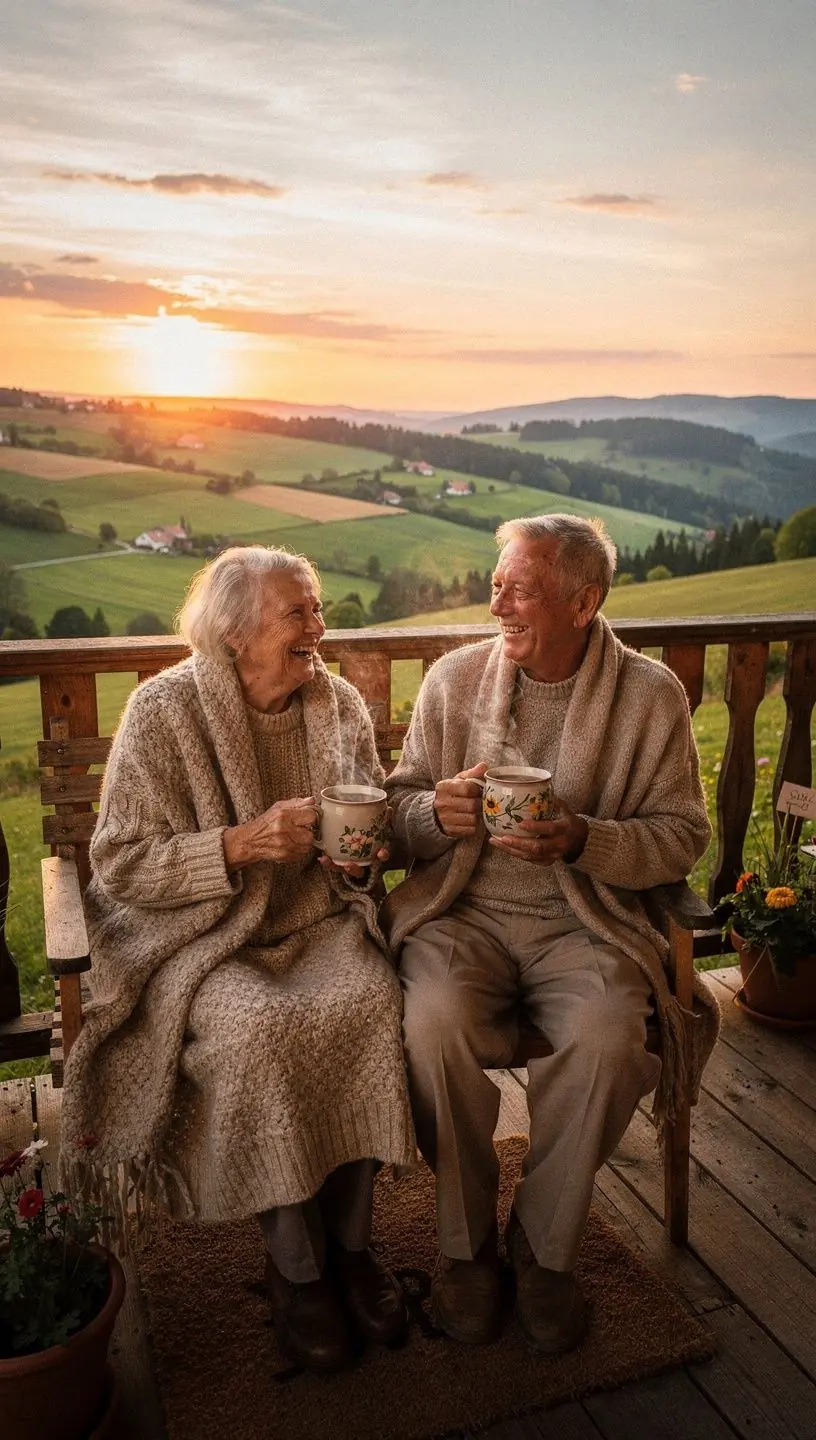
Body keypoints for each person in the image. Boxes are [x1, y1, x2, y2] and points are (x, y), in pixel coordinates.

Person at [61, 545, 416, 1373]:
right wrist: (236, 844)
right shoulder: (164, 712)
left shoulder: (337, 705)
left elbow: (372, 822)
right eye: (298, 613)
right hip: (200, 936)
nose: (318, 628)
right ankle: (297, 1272)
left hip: (316, 920)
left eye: (318, 608)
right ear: (234, 632)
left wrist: (362, 859)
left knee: (371, 1003)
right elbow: (119, 860)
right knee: (260, 1031)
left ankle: (353, 1248)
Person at [382, 514, 719, 1354]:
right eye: (496, 581)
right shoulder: (455, 679)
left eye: (520, 586)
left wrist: (586, 840)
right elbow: (398, 810)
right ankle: (465, 1249)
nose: (497, 600)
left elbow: (682, 834)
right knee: (432, 1025)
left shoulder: (650, 696)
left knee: (609, 1035)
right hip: (463, 915)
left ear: (583, 600)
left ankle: (543, 1244)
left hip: (586, 922)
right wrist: (436, 812)